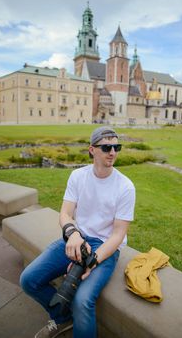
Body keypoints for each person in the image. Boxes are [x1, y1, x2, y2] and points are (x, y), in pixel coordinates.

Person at [20, 126, 136, 338]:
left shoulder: (125, 187)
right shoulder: (78, 176)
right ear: (92, 150)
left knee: (82, 301)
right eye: (107, 147)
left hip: (104, 246)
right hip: (76, 239)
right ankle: (62, 319)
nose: (113, 152)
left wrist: (90, 261)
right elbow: (65, 213)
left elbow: (118, 235)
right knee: (28, 279)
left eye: (116, 147)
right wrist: (73, 234)